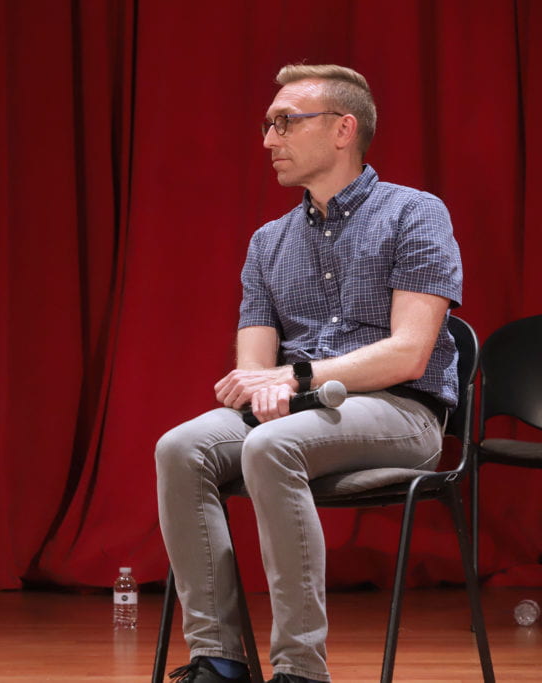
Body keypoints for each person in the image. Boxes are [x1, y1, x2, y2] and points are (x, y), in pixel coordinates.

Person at [155, 64, 462, 683]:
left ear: (344, 129)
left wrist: (292, 379)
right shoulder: (269, 241)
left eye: (285, 123)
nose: (269, 140)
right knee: (181, 446)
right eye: (267, 125)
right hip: (302, 413)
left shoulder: (414, 213)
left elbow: (409, 353)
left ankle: (300, 671)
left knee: (271, 442)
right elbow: (252, 368)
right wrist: (263, 386)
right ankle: (218, 661)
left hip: (402, 411)